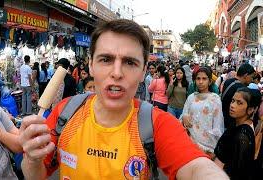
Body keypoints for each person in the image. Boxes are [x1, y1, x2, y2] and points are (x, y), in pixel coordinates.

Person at [19, 19, 228, 180]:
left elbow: (196, 169)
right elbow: (35, 175)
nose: (117, 73)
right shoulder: (65, 112)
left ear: (144, 70)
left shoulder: (157, 124)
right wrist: (31, 158)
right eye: (106, 59)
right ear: (90, 64)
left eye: (129, 62)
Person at [214, 87, 260, 180]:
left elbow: (238, 172)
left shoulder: (243, 135)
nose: (232, 105)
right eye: (233, 101)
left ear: (250, 109)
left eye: (239, 103)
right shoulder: (236, 124)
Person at [181, 67, 224, 157]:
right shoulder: (191, 97)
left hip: (207, 146)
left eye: (204, 79)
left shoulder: (215, 99)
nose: (200, 82)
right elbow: (183, 115)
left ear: (210, 81)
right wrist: (184, 116)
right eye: (198, 78)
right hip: (189, 143)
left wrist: (213, 149)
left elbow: (218, 125)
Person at [221, 63, 255, 130]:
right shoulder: (241, 89)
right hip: (230, 123)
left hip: (222, 119)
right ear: (246, 75)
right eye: (251, 77)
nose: (252, 80)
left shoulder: (228, 81)